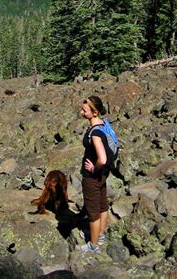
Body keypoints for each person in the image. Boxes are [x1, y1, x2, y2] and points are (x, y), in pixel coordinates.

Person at [77, 95, 114, 254]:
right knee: (102, 204)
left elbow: (103, 158)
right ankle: (100, 235)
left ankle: (93, 246)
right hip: (103, 175)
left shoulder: (96, 133)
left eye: (84, 110)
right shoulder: (104, 124)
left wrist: (93, 169)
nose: (81, 112)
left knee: (93, 212)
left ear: (94, 112)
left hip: (93, 177)